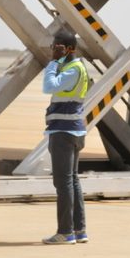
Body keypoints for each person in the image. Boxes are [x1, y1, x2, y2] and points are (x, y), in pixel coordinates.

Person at [40, 29, 90, 245]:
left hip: (64, 131)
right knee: (72, 180)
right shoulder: (73, 67)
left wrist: (53, 62)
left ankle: (65, 232)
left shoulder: (71, 69)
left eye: (57, 46)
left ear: (69, 49)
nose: (54, 50)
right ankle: (79, 231)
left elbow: (48, 87)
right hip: (74, 129)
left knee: (63, 183)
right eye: (53, 47)